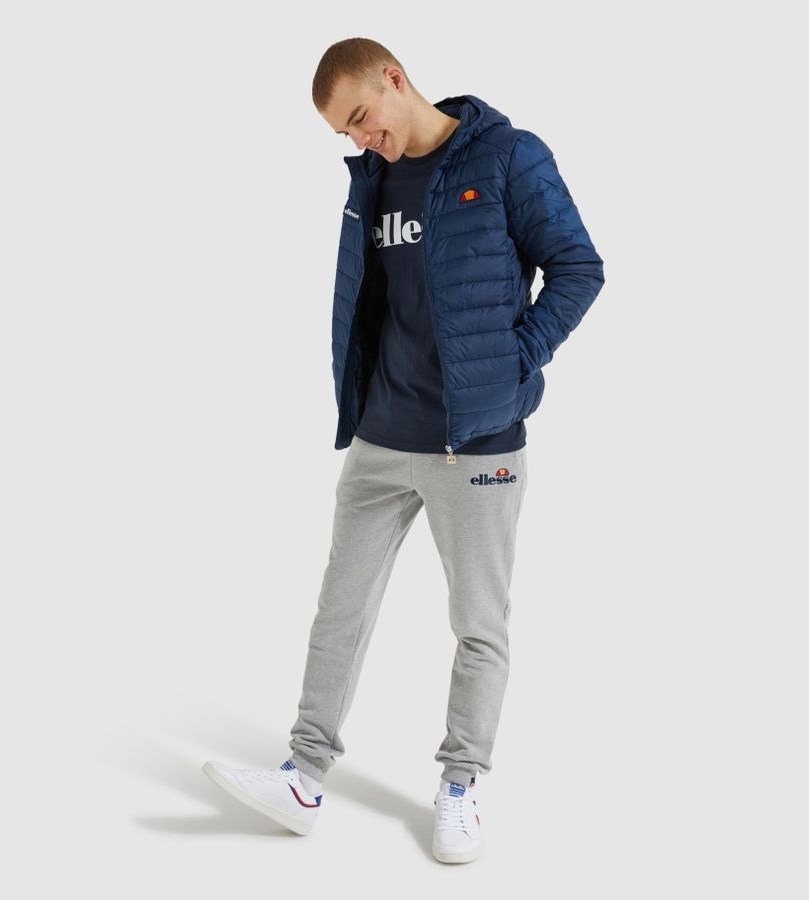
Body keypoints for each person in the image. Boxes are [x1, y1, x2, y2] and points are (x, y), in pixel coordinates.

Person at [204, 37, 605, 864]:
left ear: (394, 78)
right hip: (382, 434)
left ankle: (460, 786)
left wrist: (514, 361)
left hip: (476, 444)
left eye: (362, 117)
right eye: (345, 133)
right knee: (339, 609)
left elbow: (577, 267)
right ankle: (303, 776)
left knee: (478, 624)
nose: (362, 138)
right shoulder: (373, 179)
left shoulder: (507, 156)